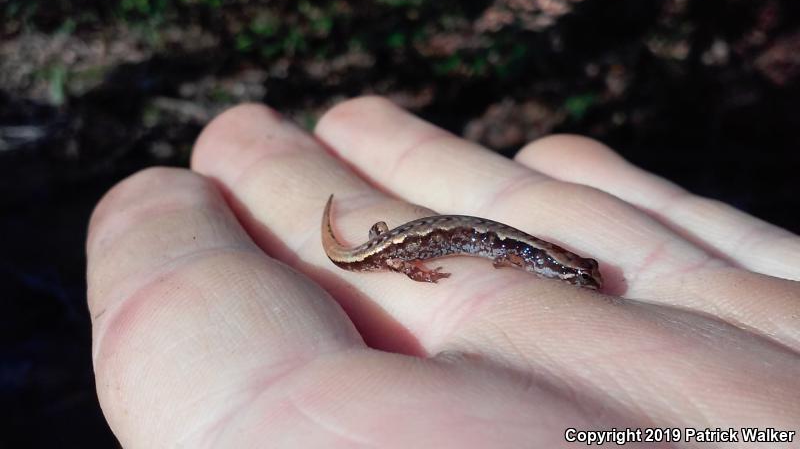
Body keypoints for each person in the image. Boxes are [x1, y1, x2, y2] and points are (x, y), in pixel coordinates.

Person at [86, 97, 800, 447]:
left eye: (578, 276)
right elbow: (493, 247)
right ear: (556, 269)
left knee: (435, 244)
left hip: (409, 240)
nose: (579, 279)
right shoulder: (492, 256)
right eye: (576, 274)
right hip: (388, 250)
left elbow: (503, 246)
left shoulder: (529, 256)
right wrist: (404, 264)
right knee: (412, 255)